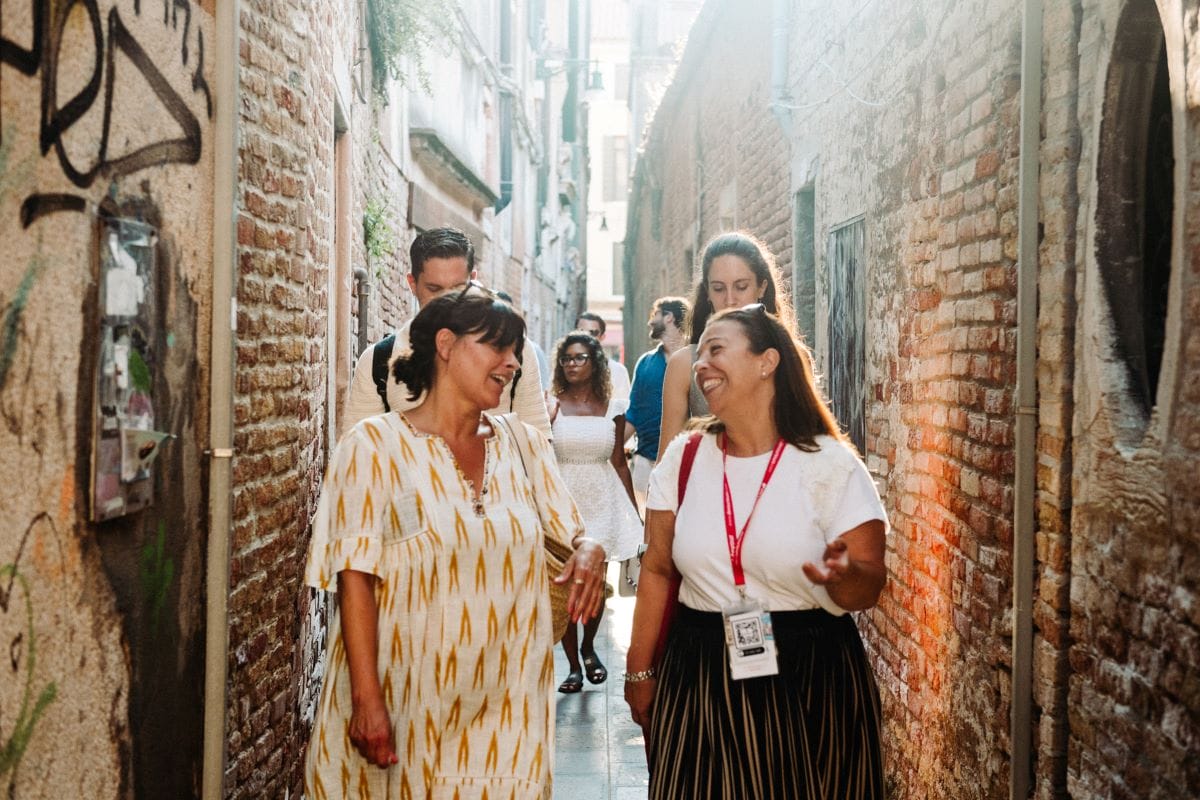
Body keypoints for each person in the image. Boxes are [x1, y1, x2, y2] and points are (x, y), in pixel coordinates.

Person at [304, 287, 607, 798]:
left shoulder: (523, 445)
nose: (512, 363)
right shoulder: (374, 447)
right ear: (445, 344)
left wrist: (592, 548)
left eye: (517, 350)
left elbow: (572, 532)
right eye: (498, 347)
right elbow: (354, 576)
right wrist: (367, 700)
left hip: (508, 713)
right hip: (403, 709)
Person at [624, 304, 887, 798]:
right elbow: (657, 569)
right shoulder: (684, 459)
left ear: (767, 362)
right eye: (698, 353)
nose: (701, 364)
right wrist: (639, 670)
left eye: (716, 349)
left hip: (810, 675)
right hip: (699, 672)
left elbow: (868, 586)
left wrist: (844, 575)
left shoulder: (829, 466)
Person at [343, 227, 552, 439]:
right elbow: (356, 454)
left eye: (457, 288)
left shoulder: (516, 352)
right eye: (434, 289)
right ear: (412, 284)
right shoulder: (378, 360)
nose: (446, 301)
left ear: (473, 279)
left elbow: (537, 445)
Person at [546, 332, 643, 693]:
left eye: (580, 357)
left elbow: (619, 463)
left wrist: (633, 513)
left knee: (597, 585)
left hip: (602, 499)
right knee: (569, 583)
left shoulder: (613, 407)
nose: (572, 363)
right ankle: (573, 664)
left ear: (595, 362)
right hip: (564, 502)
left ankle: (589, 647)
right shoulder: (551, 406)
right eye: (567, 358)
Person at [657, 231, 795, 455]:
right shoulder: (685, 364)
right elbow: (665, 465)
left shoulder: (791, 356)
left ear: (762, 287)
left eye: (741, 287)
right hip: (707, 486)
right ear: (708, 293)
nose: (730, 300)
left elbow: (811, 442)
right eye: (719, 289)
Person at [623, 297, 689, 508]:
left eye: (655, 315)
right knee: (645, 530)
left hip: (685, 460)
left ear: (669, 317)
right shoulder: (645, 363)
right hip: (645, 462)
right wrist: (611, 450)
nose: (650, 322)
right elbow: (634, 413)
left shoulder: (696, 359)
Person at [574, 311, 631, 400]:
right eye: (582, 332)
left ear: (602, 337)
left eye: (593, 333)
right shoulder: (563, 368)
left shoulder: (618, 371)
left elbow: (623, 408)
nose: (587, 337)